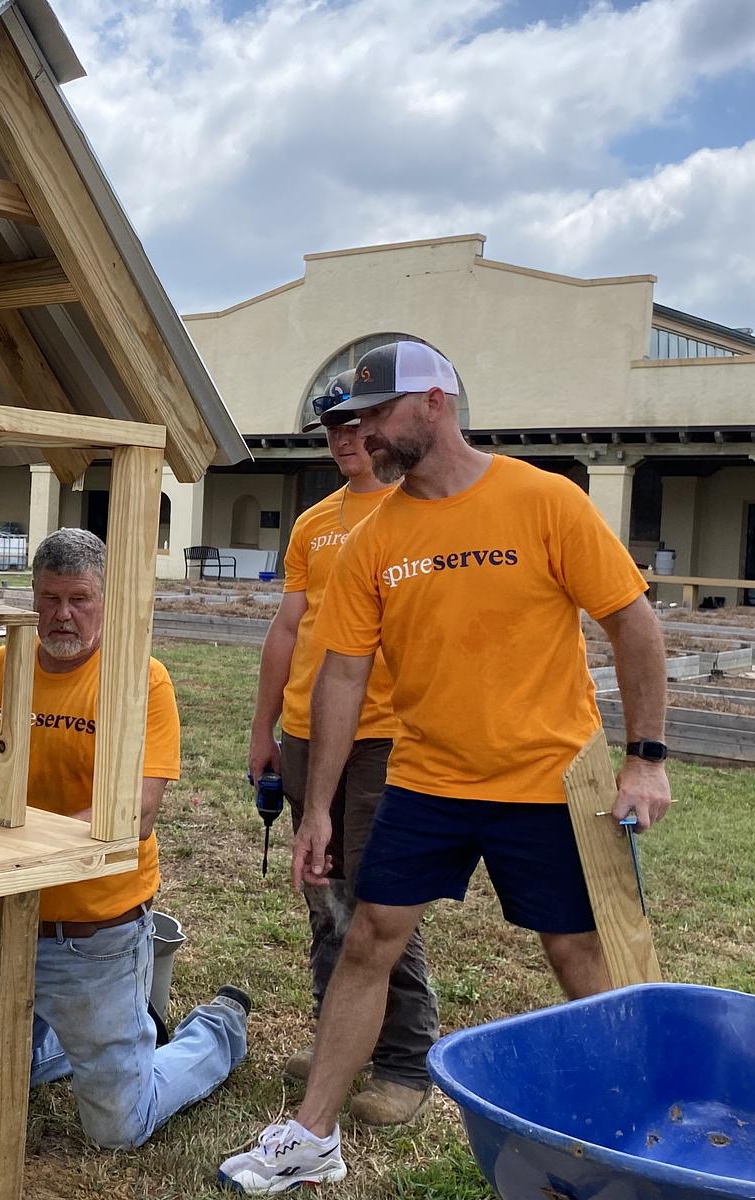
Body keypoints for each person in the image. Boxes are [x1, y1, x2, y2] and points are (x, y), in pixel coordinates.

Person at [220, 341, 671, 1192]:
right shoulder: (372, 539)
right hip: (427, 780)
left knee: (578, 950)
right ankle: (313, 1138)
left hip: (548, 780)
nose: (365, 436)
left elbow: (632, 623)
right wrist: (316, 809)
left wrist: (645, 759)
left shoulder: (546, 501)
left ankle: (635, 1132)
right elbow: (343, 677)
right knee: (368, 940)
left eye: (377, 417)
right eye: (353, 422)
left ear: (435, 403)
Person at [0, 527, 250, 1150]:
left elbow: (137, 811)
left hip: (96, 936)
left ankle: (217, 1029)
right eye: (49, 598)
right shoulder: (0, 669)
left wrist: (17, 852)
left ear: (107, 600)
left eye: (79, 598)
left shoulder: (141, 680)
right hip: (7, 923)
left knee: (117, 1130)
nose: (62, 614)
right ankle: (88, 1041)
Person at [247, 370, 437, 1126]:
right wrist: (263, 729)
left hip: (384, 736)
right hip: (304, 732)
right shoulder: (315, 523)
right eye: (332, 428)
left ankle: (402, 1063)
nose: (345, 438)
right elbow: (287, 631)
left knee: (379, 901)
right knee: (322, 889)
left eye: (358, 424)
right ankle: (339, 1040)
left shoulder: (413, 512)